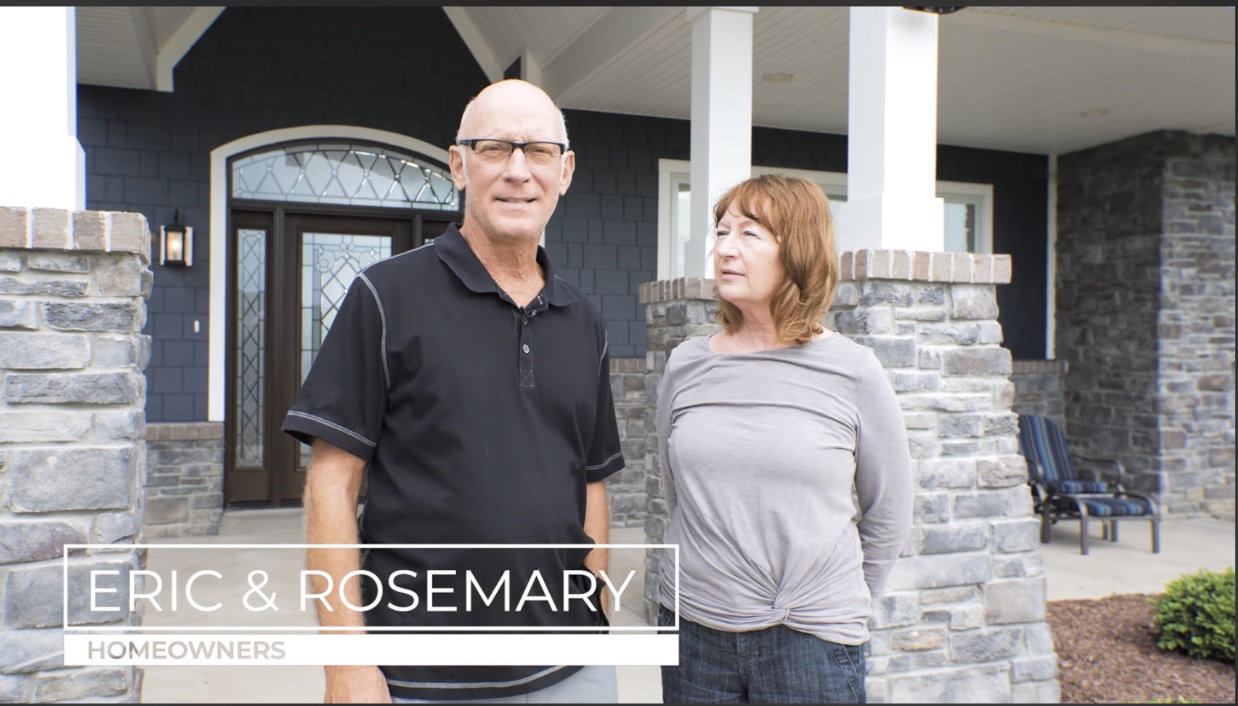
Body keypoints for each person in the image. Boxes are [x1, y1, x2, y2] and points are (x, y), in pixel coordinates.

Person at [282, 79, 625, 704]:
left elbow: (591, 478)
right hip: (422, 678)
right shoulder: (385, 296)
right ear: (459, 165)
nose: (518, 171)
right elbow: (332, 482)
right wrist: (346, 663)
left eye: (539, 151)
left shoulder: (583, 320)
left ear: (565, 171)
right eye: (495, 148)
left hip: (573, 669)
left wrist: (595, 606)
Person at [655, 174, 914, 703]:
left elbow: (889, 511)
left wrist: (841, 601)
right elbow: (677, 491)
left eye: (749, 234)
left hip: (809, 639)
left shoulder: (853, 370)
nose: (725, 249)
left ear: (798, 251)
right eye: (721, 232)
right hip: (691, 629)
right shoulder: (686, 364)